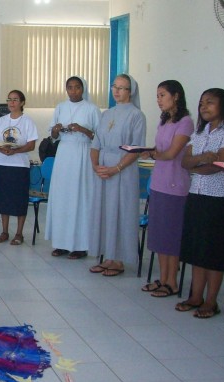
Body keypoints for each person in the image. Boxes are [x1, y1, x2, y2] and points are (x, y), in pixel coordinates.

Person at [175, 88, 224, 318]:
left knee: (213, 253)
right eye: (202, 102)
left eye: (210, 103)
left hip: (219, 200)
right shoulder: (199, 132)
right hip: (197, 196)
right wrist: (203, 158)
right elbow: (185, 162)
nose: (204, 107)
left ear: (223, 106)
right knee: (196, 249)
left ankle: (211, 302)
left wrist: (198, 164)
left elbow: (221, 163)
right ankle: (195, 296)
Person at [88, 74, 146, 276]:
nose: (117, 91)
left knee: (120, 212)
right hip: (103, 170)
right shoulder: (106, 114)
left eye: (122, 88)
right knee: (104, 211)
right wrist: (96, 165)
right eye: (115, 86)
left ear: (131, 92)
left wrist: (116, 168)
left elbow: (135, 149)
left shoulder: (136, 115)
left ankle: (119, 260)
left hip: (123, 171)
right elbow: (96, 144)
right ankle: (108, 255)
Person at [140, 80, 193, 297]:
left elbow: (172, 153)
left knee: (171, 235)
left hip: (175, 185)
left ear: (176, 96)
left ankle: (172, 282)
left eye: (162, 95)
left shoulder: (186, 122)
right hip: (159, 182)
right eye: (157, 96)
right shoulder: (164, 121)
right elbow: (160, 149)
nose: (159, 100)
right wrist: (147, 150)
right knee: (160, 234)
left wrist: (153, 154)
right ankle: (162, 278)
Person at [44, 76, 101, 259]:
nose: (73, 91)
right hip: (64, 155)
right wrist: (56, 129)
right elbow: (52, 135)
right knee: (63, 198)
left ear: (83, 89)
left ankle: (80, 245)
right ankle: (61, 243)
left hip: (83, 154)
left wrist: (82, 129)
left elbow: (99, 137)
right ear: (66, 89)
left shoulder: (92, 109)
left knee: (80, 198)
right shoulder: (60, 107)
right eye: (70, 87)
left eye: (77, 87)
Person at [0, 90, 39, 246]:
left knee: (18, 199)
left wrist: (15, 151)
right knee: (3, 198)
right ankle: (4, 231)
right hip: (2, 164)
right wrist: (2, 149)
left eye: (15, 100)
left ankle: (19, 233)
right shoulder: (2, 120)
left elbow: (31, 144)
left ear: (22, 102)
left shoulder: (27, 121)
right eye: (9, 99)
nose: (11, 103)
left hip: (19, 166)